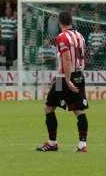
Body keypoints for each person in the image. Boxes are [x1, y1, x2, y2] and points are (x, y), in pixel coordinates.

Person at [37, 11, 89, 153]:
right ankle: (82, 144)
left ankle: (52, 143)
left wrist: (66, 78)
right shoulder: (80, 36)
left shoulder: (62, 37)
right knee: (79, 111)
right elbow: (83, 57)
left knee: (49, 107)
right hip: (79, 75)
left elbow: (66, 59)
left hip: (65, 78)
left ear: (59, 22)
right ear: (71, 21)